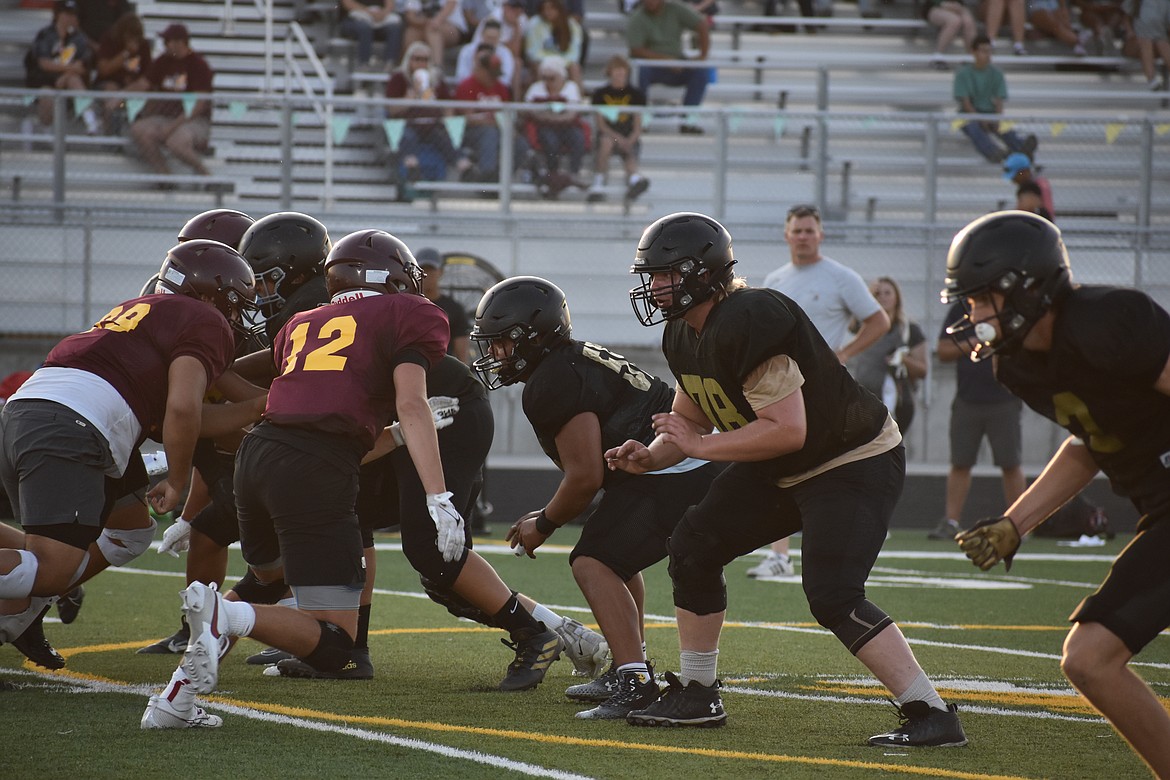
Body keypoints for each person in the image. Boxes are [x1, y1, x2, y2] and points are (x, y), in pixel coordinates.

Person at [605, 212, 966, 746]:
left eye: (665, 274)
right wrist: (654, 455)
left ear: (702, 273)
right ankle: (699, 692)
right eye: (651, 275)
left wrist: (699, 447)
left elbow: (787, 430)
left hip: (851, 458)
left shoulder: (750, 316)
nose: (654, 286)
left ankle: (932, 713)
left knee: (832, 594)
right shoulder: (684, 331)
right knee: (693, 543)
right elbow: (693, 415)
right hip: (784, 462)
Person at [139, 229, 462, 728]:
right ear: (393, 276)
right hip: (315, 468)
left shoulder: (305, 321)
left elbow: (279, 396)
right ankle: (224, 617)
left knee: (266, 583)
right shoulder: (412, 313)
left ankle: (174, 700)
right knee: (336, 645)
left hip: (257, 455)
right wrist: (438, 496)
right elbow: (411, 401)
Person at [945, 210, 1170, 777]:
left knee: (1091, 659)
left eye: (978, 299)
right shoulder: (1018, 366)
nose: (969, 314)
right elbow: (1088, 442)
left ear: (1022, 289)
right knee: (1091, 661)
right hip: (1161, 510)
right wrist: (1016, 522)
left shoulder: (1109, 320)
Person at [0, 241, 258, 669]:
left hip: (34, 413)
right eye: (235, 302)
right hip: (74, 426)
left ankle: (22, 616)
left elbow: (185, 414)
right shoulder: (203, 319)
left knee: (129, 530)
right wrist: (177, 479)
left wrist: (261, 406)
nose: (237, 314)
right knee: (51, 570)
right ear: (211, 295)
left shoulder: (143, 311)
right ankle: (26, 605)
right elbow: (182, 409)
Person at [471, 276, 721, 719]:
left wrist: (544, 524)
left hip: (672, 467)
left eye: (502, 344)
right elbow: (590, 473)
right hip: (674, 463)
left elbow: (585, 477)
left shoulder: (551, 380)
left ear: (531, 339)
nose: (494, 355)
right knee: (611, 556)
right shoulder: (568, 360)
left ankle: (634, 680)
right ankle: (633, 665)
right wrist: (548, 512)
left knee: (592, 560)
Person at [752, 203, 890, 579]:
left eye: (809, 230)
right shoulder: (776, 278)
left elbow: (879, 320)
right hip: (780, 389)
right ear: (786, 234)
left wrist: (844, 352)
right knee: (778, 464)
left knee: (818, 467)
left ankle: (824, 548)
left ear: (821, 234)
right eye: (797, 230)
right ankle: (779, 554)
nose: (803, 237)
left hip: (823, 392)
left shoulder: (840, 276)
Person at [926, 298, 1026, 539]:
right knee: (960, 462)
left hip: (1004, 398)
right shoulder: (960, 309)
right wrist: (973, 342)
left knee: (1010, 462)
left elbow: (1028, 346)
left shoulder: (1010, 309)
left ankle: (1020, 523)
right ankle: (952, 522)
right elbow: (943, 350)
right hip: (968, 399)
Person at [126, 24, 215, 183]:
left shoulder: (198, 65)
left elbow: (198, 105)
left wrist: (172, 127)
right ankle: (165, 177)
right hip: (166, 116)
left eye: (168, 41)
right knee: (139, 129)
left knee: (175, 141)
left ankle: (206, 175)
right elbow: (143, 84)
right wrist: (117, 98)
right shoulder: (162, 61)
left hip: (193, 120)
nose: (165, 45)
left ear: (180, 43)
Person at [385, 41, 471, 201]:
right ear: (409, 59)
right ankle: (412, 168)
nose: (421, 63)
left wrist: (449, 120)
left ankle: (464, 167)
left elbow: (448, 104)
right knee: (407, 136)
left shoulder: (436, 79)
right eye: (417, 59)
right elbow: (391, 109)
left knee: (446, 138)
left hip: (432, 125)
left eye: (425, 60)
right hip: (406, 123)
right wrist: (410, 97)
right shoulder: (399, 78)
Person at [846, 277, 928, 435]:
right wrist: (865, 296)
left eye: (887, 293)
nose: (882, 297)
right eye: (877, 293)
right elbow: (851, 317)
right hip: (865, 398)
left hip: (897, 400)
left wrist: (902, 359)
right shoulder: (863, 326)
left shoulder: (908, 329)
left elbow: (922, 370)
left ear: (896, 297)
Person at [626, 0, 710, 135]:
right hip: (651, 66)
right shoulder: (637, 18)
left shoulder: (676, 9)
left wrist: (702, 55)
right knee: (640, 72)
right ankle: (641, 121)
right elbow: (636, 50)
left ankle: (688, 122)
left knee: (701, 72)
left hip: (677, 63)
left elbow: (702, 25)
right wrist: (666, 60)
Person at [954, 34, 1039, 164]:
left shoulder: (997, 73)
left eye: (989, 51)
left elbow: (999, 101)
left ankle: (1021, 148)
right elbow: (966, 103)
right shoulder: (963, 74)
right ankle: (994, 152)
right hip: (969, 115)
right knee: (972, 126)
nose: (988, 55)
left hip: (990, 113)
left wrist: (997, 118)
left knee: (1004, 128)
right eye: (983, 51)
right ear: (974, 52)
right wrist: (981, 119)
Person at [520, 57, 588, 199]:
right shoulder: (536, 88)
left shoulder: (571, 87)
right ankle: (553, 175)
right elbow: (530, 111)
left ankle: (574, 173)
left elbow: (571, 114)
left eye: (552, 78)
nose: (547, 82)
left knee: (578, 138)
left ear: (561, 77)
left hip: (567, 125)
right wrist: (551, 117)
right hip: (544, 126)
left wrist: (549, 116)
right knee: (550, 141)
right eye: (544, 78)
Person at [587, 54, 650, 205]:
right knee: (606, 142)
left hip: (628, 136)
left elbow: (637, 125)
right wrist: (618, 138)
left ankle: (634, 179)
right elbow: (601, 124)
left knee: (629, 146)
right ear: (610, 72)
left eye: (623, 70)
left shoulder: (636, 94)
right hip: (609, 135)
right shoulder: (600, 94)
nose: (620, 74)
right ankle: (599, 182)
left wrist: (629, 139)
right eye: (617, 70)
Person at [25, 0, 94, 134]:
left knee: (74, 80)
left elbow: (82, 66)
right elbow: (44, 64)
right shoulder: (46, 35)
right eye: (66, 14)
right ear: (57, 15)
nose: (70, 18)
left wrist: (66, 76)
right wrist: (69, 69)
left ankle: (90, 121)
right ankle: (47, 132)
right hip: (45, 82)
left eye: (73, 15)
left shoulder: (79, 38)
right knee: (47, 94)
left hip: (67, 83)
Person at [453, 42, 512, 184]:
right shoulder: (467, 86)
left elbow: (506, 115)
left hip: (496, 130)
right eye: (491, 74)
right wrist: (494, 123)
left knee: (518, 141)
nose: (494, 78)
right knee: (489, 132)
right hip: (468, 133)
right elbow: (469, 118)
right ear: (480, 69)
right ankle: (487, 177)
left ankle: (503, 179)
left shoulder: (501, 88)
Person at [92, 12, 152, 136]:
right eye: (130, 36)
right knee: (111, 90)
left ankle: (138, 135)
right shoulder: (109, 40)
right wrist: (126, 53)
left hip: (131, 86)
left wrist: (135, 81)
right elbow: (104, 70)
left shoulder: (143, 45)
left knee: (142, 89)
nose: (133, 40)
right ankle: (111, 137)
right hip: (109, 83)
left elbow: (148, 74)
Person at [416, 248, 472, 362]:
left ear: (441, 271)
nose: (426, 274)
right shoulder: (404, 306)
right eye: (423, 269)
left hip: (442, 373)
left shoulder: (454, 309)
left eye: (431, 269)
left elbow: (462, 357)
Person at [524, 0, 585, 89]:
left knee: (575, 68)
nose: (547, 12)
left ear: (559, 9)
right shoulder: (534, 24)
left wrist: (559, 63)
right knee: (538, 67)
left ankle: (576, 100)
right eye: (544, 9)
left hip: (564, 62)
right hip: (541, 61)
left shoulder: (572, 25)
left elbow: (574, 53)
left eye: (551, 8)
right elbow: (532, 51)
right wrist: (549, 62)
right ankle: (541, 97)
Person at [338, 0, 404, 70]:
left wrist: (383, 13)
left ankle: (390, 63)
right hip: (354, 19)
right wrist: (369, 12)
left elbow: (390, 4)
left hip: (379, 20)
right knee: (365, 28)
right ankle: (363, 63)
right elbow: (347, 3)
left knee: (394, 28)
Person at [402, 0, 467, 67]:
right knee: (411, 32)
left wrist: (436, 21)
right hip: (425, 25)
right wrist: (425, 22)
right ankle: (406, 68)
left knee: (432, 30)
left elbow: (451, 5)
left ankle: (437, 67)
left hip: (451, 27)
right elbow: (410, 16)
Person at [455, 19, 516, 90]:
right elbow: (461, 76)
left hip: (494, 90)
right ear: (482, 34)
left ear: (500, 37)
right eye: (489, 37)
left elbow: (505, 79)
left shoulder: (505, 53)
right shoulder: (467, 50)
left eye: (494, 38)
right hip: (472, 88)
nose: (491, 41)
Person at [921, 0, 977, 69]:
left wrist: (956, 5)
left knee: (968, 22)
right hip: (935, 6)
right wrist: (942, 4)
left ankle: (971, 56)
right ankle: (938, 55)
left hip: (957, 5)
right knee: (954, 21)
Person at [1127, 0, 1170, 89]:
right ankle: (1151, 78)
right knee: (1146, 43)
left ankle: (1152, 79)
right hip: (1136, 41)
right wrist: (1130, 32)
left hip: (1159, 39)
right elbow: (1125, 18)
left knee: (1162, 43)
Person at [1027, 0, 1093, 55]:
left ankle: (1075, 40)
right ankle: (1077, 40)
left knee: (1062, 23)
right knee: (1056, 25)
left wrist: (1063, 8)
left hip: (1053, 6)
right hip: (1036, 7)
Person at [1003, 152, 1054, 220]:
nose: (1013, 180)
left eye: (1015, 175)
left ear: (1024, 171)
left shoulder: (1030, 190)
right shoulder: (1040, 183)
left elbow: (1024, 212)